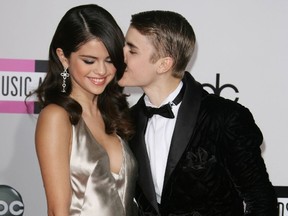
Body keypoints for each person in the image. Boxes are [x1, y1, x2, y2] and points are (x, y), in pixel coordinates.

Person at [118, 10, 278, 216]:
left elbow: (261, 202)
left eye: (132, 50)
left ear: (163, 64)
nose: (120, 55)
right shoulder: (126, 122)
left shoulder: (225, 118)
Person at [32, 4, 137, 216]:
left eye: (109, 60)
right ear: (63, 57)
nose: (101, 70)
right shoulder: (56, 117)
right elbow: (57, 211)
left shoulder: (114, 113)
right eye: (89, 60)